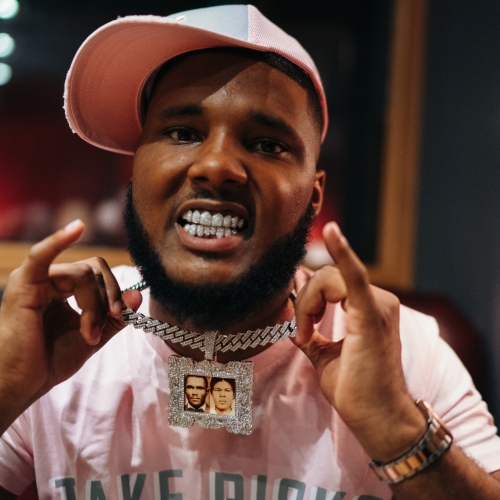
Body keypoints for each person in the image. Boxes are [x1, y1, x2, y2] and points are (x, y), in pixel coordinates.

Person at [1, 4, 500, 499]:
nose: (217, 165)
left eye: (266, 144)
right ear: (136, 170)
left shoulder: (400, 347)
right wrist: (7, 385)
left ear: (315, 196)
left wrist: (396, 427)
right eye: (183, 133)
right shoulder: (58, 333)